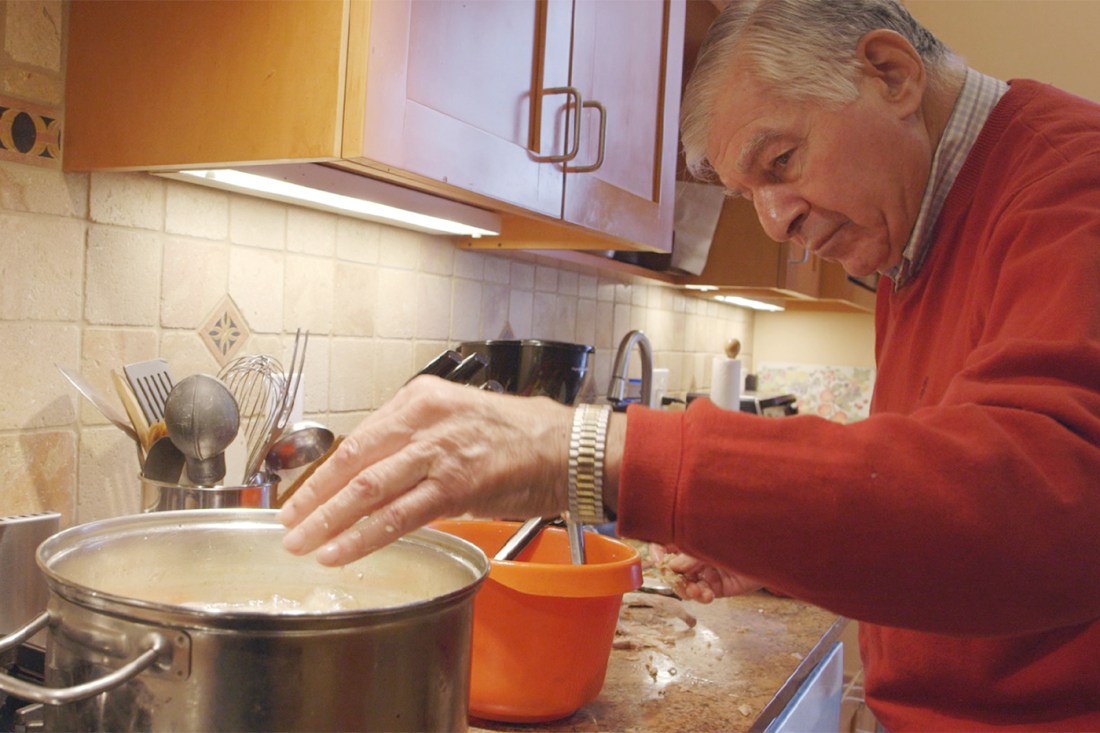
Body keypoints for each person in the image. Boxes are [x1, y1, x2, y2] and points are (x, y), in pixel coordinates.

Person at [279, 0, 1100, 729]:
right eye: (752, 194)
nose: (777, 224)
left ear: (891, 73)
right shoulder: (914, 225)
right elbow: (938, 505)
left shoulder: (1071, 184)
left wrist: (590, 450)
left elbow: (1048, 501)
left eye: (780, 162)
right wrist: (774, 538)